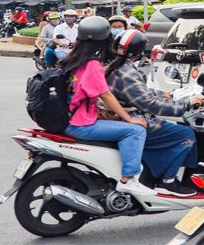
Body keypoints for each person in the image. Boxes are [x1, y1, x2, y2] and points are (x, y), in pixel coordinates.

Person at [60, 16, 155, 197]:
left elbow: (80, 93)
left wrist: (100, 111)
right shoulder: (92, 64)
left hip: (70, 117)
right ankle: (128, 180)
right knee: (135, 130)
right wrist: (129, 118)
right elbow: (106, 94)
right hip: (80, 124)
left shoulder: (71, 60)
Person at [106, 29, 204, 197]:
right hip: (134, 120)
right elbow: (149, 104)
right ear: (139, 51)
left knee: (171, 127)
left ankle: (153, 172)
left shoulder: (115, 66)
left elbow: (138, 93)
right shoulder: (127, 73)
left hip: (119, 117)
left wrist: (168, 94)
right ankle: (168, 181)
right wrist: (186, 104)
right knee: (185, 133)